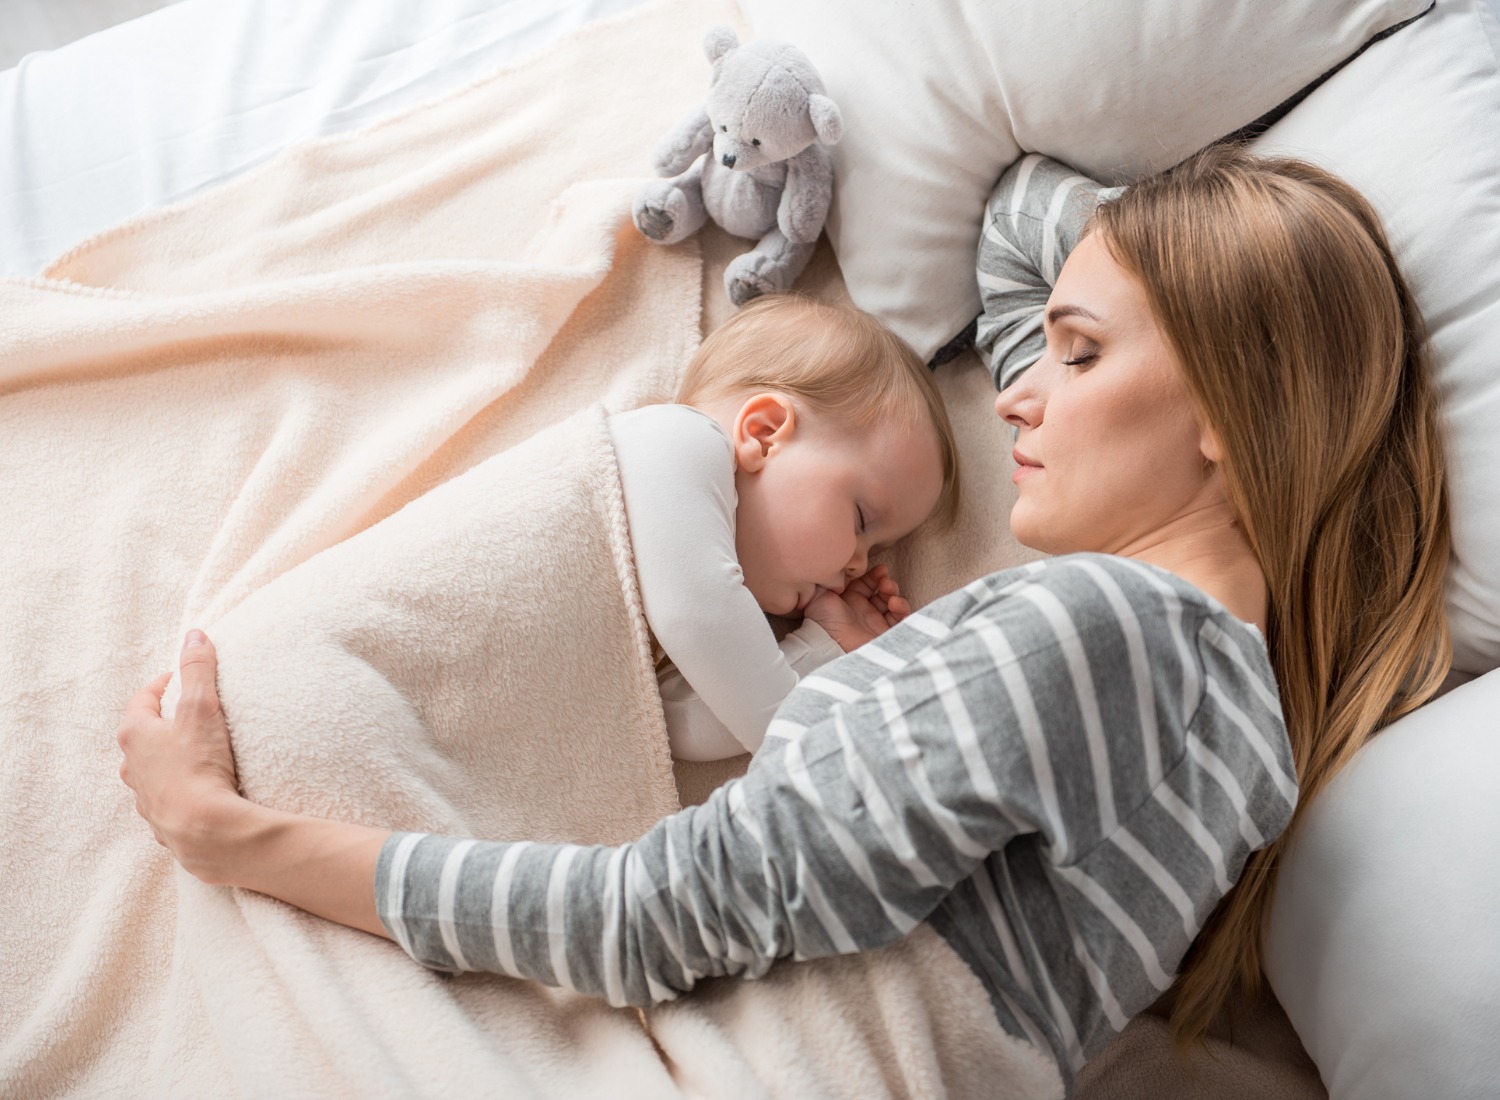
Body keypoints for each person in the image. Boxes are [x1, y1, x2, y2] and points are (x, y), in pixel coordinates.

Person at [117, 143, 1451, 1089]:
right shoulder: (1249, 737)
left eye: (1082, 356)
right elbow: (1015, 231)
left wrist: (234, 835)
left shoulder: (1092, 634)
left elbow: (651, 921)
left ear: (1231, 409)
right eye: (1044, 349)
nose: (1017, 396)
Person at [611, 293, 958, 761]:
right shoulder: (673, 441)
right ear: (765, 433)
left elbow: (667, 724)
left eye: (877, 551)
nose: (860, 565)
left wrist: (826, 649)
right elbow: (697, 615)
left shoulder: (693, 630)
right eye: (861, 520)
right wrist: (821, 752)